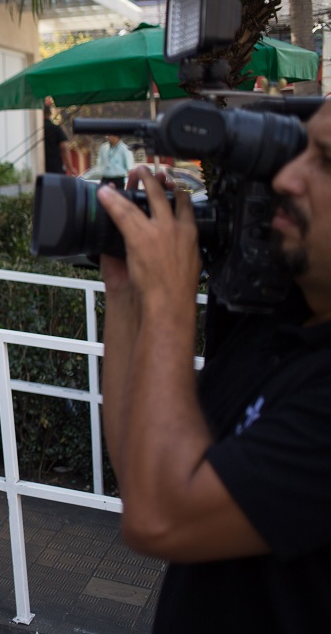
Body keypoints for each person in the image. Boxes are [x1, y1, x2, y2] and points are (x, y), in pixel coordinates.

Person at [97, 101, 331, 632]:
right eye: (299, 152)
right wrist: (127, 292)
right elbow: (144, 477)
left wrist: (170, 298)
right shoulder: (275, 324)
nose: (287, 179)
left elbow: (159, 519)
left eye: (326, 161)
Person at [42, 99, 70, 175]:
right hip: (55, 167)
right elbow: (64, 147)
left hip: (41, 168)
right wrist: (70, 166)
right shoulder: (55, 128)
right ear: (50, 113)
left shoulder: (37, 129)